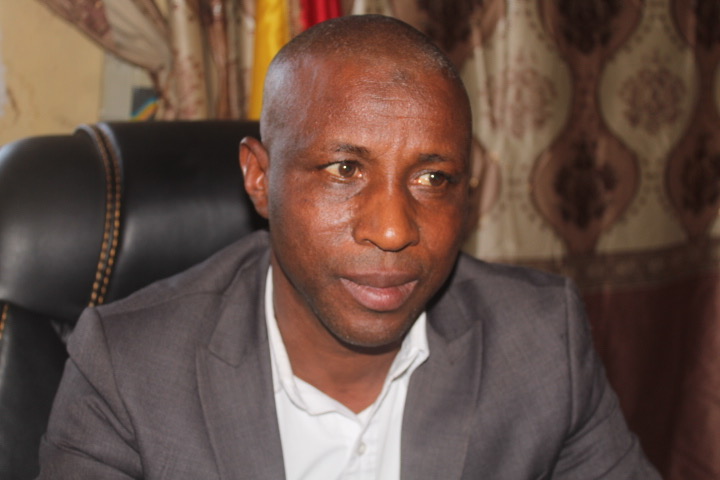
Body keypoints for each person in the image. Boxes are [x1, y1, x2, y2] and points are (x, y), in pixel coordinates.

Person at [38, 14, 660, 480]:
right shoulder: (128, 368)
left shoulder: (541, 342)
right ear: (260, 177)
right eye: (344, 170)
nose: (392, 230)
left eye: (432, 178)